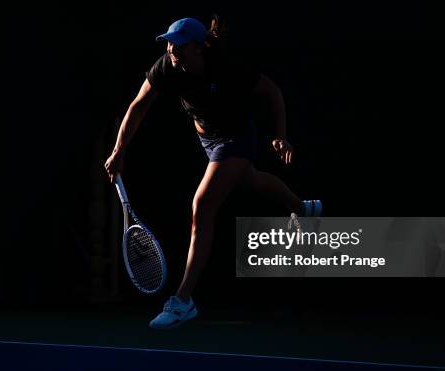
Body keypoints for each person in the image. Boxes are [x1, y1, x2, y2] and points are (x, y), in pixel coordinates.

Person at [104, 16, 322, 329]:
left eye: (178, 45)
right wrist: (118, 150)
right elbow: (138, 105)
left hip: (236, 137)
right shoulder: (167, 65)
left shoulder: (227, 66)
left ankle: (183, 300)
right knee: (251, 179)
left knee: (202, 208)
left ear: (198, 48)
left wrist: (281, 134)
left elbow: (272, 91)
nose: (171, 50)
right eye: (168, 43)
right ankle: (302, 208)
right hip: (207, 138)